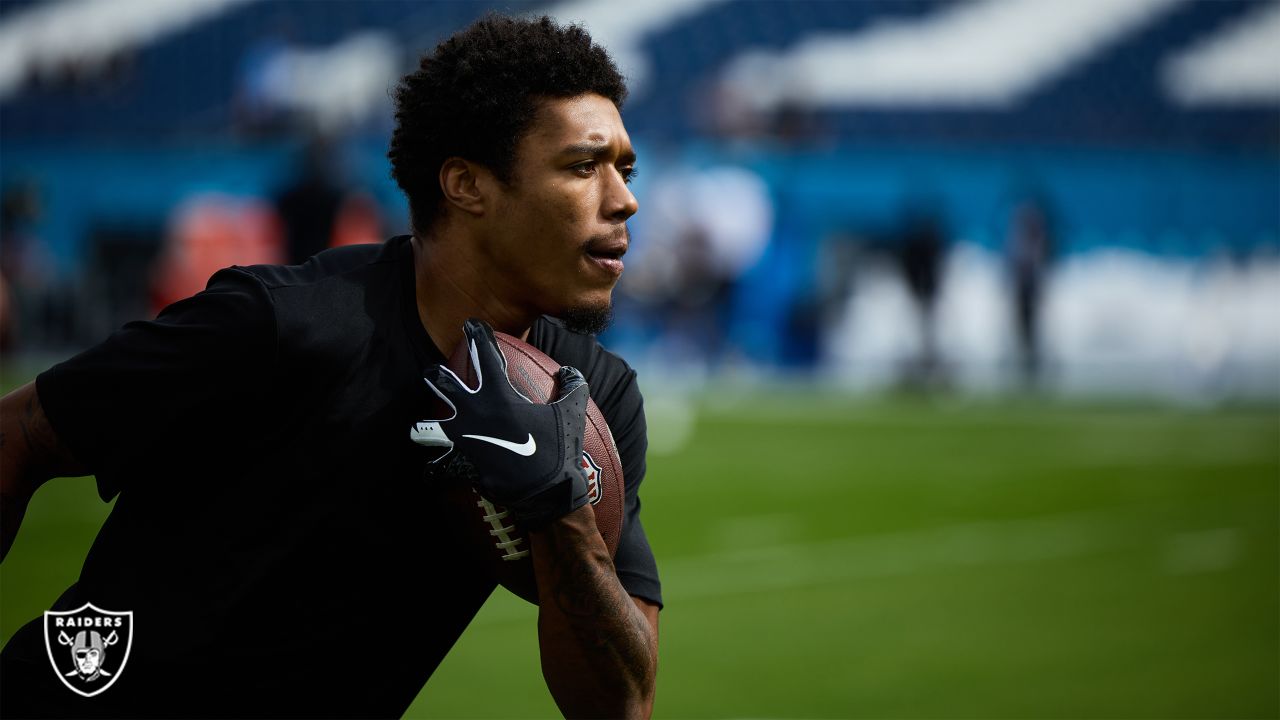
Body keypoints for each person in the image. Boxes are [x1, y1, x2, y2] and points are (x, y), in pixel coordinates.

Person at [0, 14, 660, 718]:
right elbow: (21, 434)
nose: (624, 198)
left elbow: (619, 705)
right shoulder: (278, 325)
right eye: (583, 166)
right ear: (468, 184)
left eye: (624, 168)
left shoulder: (589, 403)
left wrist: (555, 507)